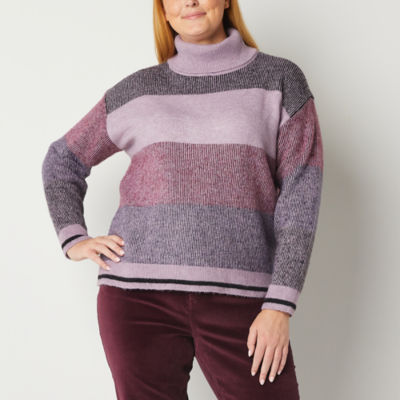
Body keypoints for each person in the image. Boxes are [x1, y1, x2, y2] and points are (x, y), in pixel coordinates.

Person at [41, 0, 323, 398]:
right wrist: (74, 239)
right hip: (137, 300)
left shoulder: (279, 80)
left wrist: (279, 305)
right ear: (163, 10)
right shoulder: (137, 90)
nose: (189, 1)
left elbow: (301, 196)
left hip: (242, 301)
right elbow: (62, 160)